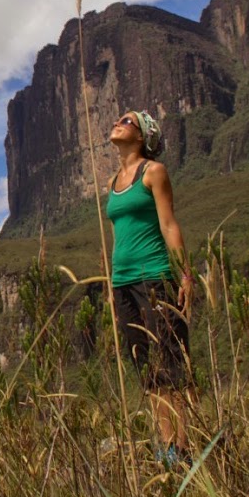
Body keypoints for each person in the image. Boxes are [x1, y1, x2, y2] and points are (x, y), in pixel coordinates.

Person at [105, 108, 194, 467]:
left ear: (142, 136)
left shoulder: (153, 172)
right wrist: (112, 287)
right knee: (148, 370)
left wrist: (184, 275)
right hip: (123, 283)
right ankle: (165, 446)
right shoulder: (112, 182)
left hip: (155, 276)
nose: (117, 122)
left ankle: (183, 448)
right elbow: (116, 236)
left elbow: (169, 224)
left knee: (170, 363)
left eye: (127, 121)